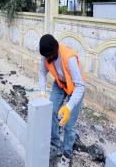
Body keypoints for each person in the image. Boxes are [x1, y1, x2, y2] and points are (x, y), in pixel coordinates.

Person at [39, 34, 86, 167]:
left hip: (75, 87)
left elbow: (80, 86)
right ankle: (55, 145)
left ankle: (67, 153)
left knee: (69, 123)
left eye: (49, 56)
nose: (47, 59)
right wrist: (42, 94)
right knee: (52, 111)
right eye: (45, 57)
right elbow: (42, 73)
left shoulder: (68, 57)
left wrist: (69, 107)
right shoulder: (46, 56)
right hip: (60, 85)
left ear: (56, 50)